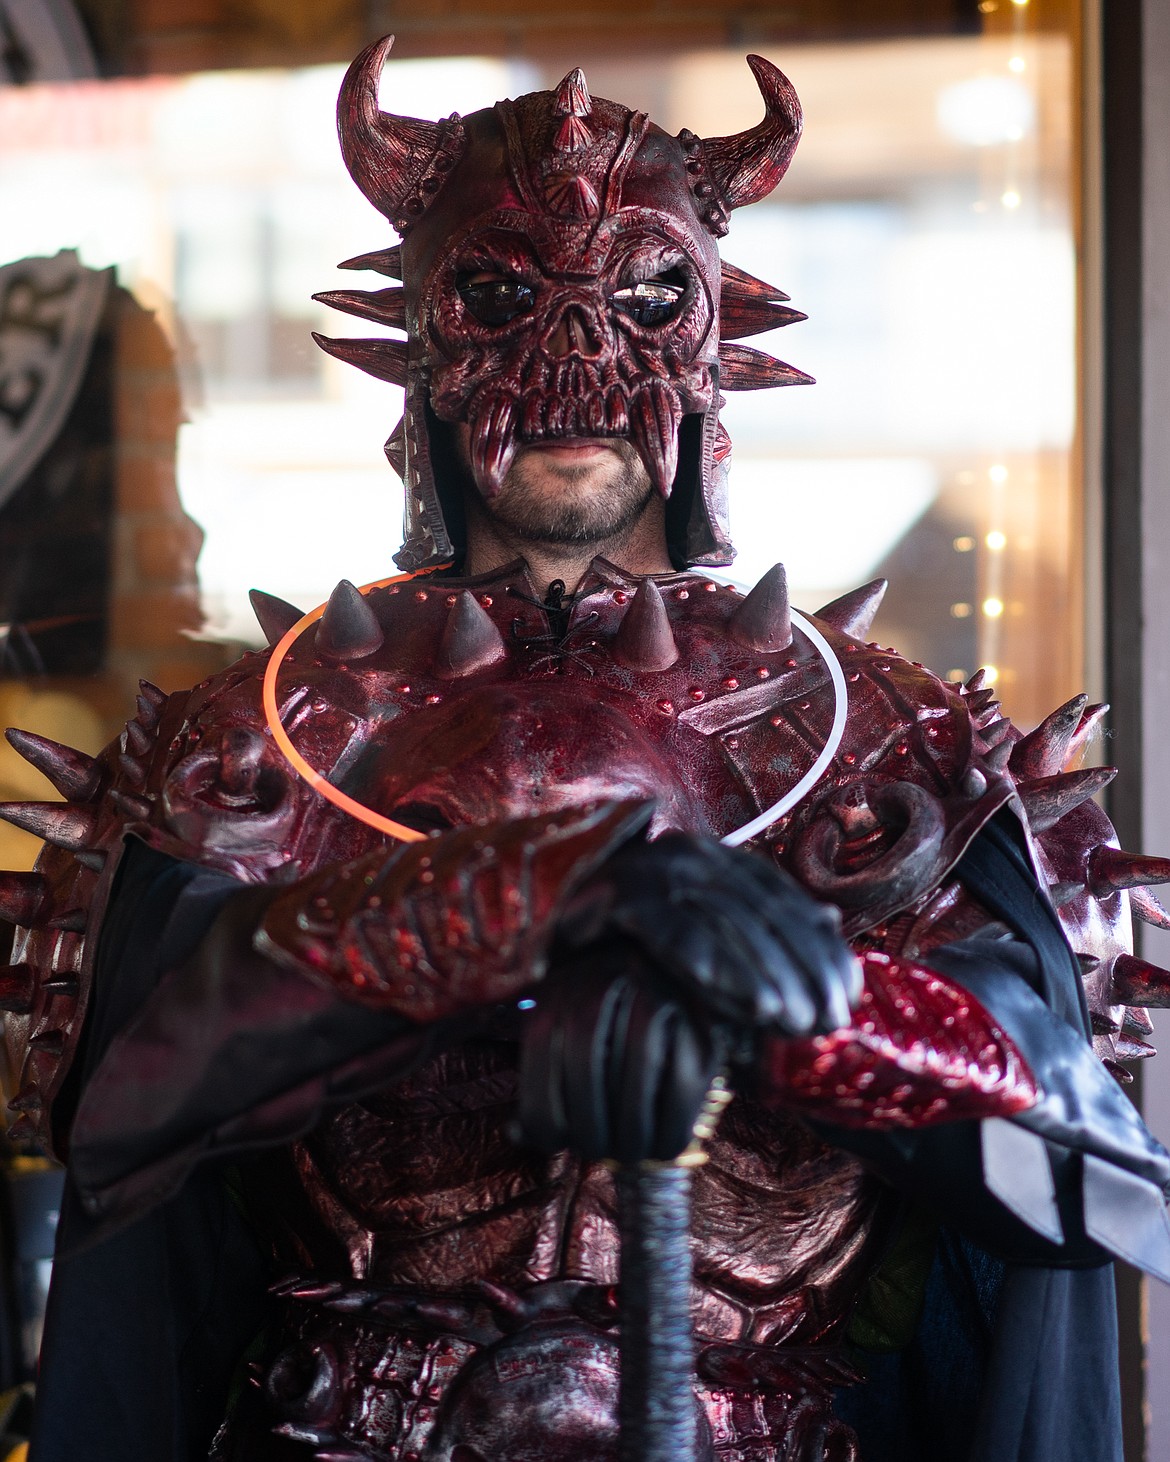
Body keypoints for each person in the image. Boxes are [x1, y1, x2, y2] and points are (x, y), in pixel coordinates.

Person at [3, 36, 1170, 1462]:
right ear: (426, 346)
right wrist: (487, 910)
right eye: (500, 296)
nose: (576, 359)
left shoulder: (878, 739)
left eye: (639, 296)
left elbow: (1079, 1163)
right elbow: (134, 1107)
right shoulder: (270, 737)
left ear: (709, 336)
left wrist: (818, 1000)